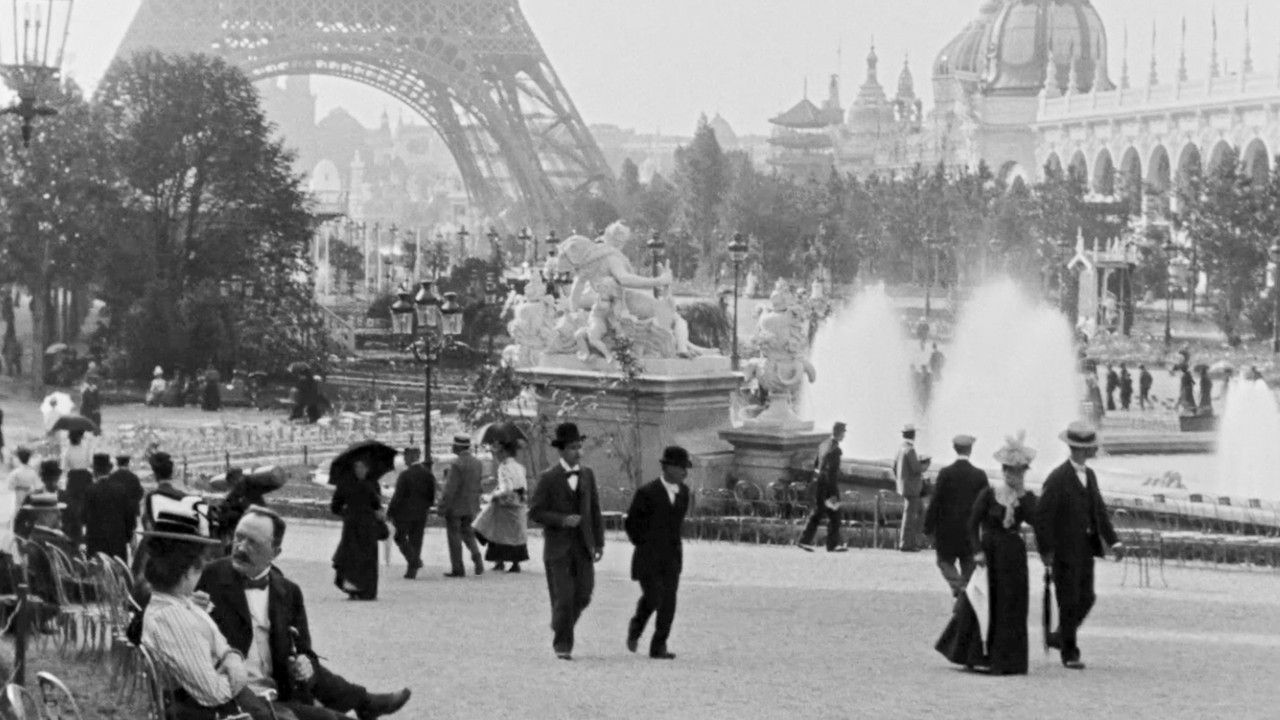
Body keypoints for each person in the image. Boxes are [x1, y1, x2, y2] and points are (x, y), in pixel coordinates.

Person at [198, 507, 412, 719]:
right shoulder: (208, 578)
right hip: (233, 699)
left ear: (275, 552)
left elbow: (304, 651)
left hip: (277, 694)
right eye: (239, 537)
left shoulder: (288, 591)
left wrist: (304, 665)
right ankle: (365, 702)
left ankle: (365, 703)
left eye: (252, 542)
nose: (241, 547)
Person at [139, 504, 299, 720]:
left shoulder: (178, 605)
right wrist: (237, 670)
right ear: (186, 572)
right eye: (199, 567)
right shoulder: (172, 617)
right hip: (219, 711)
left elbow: (218, 647)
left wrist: (230, 656)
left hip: (232, 704)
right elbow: (213, 692)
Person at [936, 431, 1039, 675]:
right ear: (1004, 471)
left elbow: (1037, 522)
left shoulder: (1026, 498)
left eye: (1020, 472)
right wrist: (977, 551)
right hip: (990, 553)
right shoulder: (989, 494)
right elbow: (972, 524)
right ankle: (973, 653)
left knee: (1010, 606)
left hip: (1013, 555)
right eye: (1012, 471)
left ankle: (1007, 659)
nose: (1015, 476)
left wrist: (1025, 498)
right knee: (981, 602)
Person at [1035, 422, 1120, 671]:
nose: (1094, 451)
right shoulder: (1058, 477)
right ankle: (1069, 652)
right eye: (1090, 447)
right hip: (1063, 550)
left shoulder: (1090, 475)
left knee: (1087, 597)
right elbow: (1042, 517)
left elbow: (1099, 511)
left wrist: (1114, 540)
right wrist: (1046, 551)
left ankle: (1060, 636)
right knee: (1068, 600)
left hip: (1085, 548)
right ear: (1079, 449)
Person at [529, 422, 605, 661]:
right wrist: (562, 520)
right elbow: (535, 512)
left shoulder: (587, 474)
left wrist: (599, 542)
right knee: (563, 596)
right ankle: (563, 644)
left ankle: (561, 622)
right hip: (558, 549)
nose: (578, 452)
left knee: (584, 593)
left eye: (579, 447)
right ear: (561, 450)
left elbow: (594, 509)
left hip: (583, 546)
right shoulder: (548, 478)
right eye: (573, 448)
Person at [624, 446, 691, 660]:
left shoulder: (684, 493)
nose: (684, 473)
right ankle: (636, 627)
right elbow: (631, 524)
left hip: (671, 556)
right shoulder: (647, 493)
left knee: (668, 602)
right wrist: (644, 543)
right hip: (648, 557)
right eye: (680, 468)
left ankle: (659, 645)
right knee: (653, 597)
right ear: (668, 468)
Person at [923, 434, 988, 597]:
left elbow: (935, 502)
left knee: (943, 561)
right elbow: (987, 506)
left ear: (954, 448)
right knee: (969, 566)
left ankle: (958, 587)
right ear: (971, 449)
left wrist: (928, 527)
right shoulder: (980, 475)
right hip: (969, 532)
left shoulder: (945, 473)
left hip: (947, 530)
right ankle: (965, 591)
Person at [330, 455, 385, 600]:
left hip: (368, 527)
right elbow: (335, 507)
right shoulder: (345, 485)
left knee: (367, 559)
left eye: (362, 467)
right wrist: (347, 514)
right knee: (352, 558)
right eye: (357, 467)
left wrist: (379, 512)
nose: (359, 470)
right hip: (353, 528)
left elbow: (377, 505)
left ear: (367, 469)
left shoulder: (372, 484)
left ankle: (367, 590)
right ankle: (352, 588)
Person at [473, 438, 530, 573]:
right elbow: (523, 487)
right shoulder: (520, 467)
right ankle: (515, 562)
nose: (496, 456)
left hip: (506, 505)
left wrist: (491, 496)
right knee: (516, 534)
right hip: (519, 502)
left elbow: (506, 488)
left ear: (504, 452)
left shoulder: (504, 467)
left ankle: (499, 561)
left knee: (497, 532)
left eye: (497, 453)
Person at [438, 435, 484, 578]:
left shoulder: (457, 464)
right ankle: (477, 557)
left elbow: (450, 489)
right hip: (471, 505)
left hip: (455, 507)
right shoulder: (477, 463)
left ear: (457, 447)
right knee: (468, 533)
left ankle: (458, 567)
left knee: (454, 537)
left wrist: (442, 506)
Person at [387, 448, 435, 579]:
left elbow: (398, 496)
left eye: (405, 456)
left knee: (399, 537)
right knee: (417, 540)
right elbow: (431, 495)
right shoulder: (428, 474)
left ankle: (414, 560)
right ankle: (411, 571)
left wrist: (390, 512)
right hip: (421, 512)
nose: (404, 459)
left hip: (405, 513)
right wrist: (427, 507)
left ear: (412, 456)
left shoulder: (405, 475)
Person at [796, 444, 846, 552]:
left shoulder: (824, 457)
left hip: (823, 489)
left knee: (824, 515)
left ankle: (805, 540)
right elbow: (830, 477)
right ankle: (830, 544)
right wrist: (833, 494)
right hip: (828, 491)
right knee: (831, 515)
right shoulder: (832, 460)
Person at [84, 453, 131, 560]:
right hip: (117, 543)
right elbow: (129, 517)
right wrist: (126, 537)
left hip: (96, 545)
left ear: (94, 470)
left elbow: (83, 517)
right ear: (109, 469)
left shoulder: (90, 491)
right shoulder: (121, 490)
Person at [893, 423, 930, 552]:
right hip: (912, 489)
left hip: (905, 487)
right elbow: (916, 469)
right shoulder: (910, 449)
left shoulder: (901, 449)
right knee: (909, 516)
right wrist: (926, 464)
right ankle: (906, 543)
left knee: (918, 512)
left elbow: (894, 467)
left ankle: (913, 541)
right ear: (913, 435)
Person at [61, 429, 93, 545]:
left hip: (73, 478)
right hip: (85, 477)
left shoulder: (67, 451)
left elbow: (64, 467)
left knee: (74, 506)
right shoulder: (86, 449)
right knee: (86, 504)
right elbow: (90, 463)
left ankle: (77, 530)